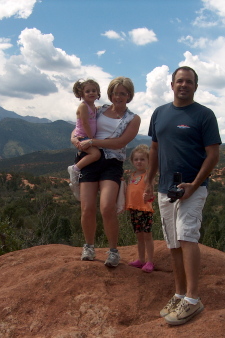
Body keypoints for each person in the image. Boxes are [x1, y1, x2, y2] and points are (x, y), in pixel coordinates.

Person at [144, 66, 221, 325]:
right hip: (166, 189)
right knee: (173, 242)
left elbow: (213, 155)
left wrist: (195, 184)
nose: (184, 85)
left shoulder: (204, 115)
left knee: (187, 236)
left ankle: (193, 299)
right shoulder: (159, 113)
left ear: (196, 86)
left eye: (189, 81)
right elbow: (154, 149)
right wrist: (148, 180)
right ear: (172, 84)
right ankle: (178, 293)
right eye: (180, 81)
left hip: (194, 188)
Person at [71, 76, 141, 267]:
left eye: (123, 93)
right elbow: (79, 125)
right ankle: (89, 246)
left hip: (112, 162)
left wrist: (93, 142)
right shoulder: (98, 109)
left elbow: (120, 142)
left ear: (129, 95)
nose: (118, 97)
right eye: (115, 93)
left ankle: (113, 251)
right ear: (109, 94)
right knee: (87, 207)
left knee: (107, 207)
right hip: (90, 160)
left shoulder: (133, 119)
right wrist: (74, 138)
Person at [68, 79, 102, 201]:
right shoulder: (83, 106)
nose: (91, 93)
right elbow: (85, 123)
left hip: (87, 137)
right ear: (81, 94)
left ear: (98, 93)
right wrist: (91, 139)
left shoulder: (93, 107)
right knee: (96, 154)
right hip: (83, 137)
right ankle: (75, 169)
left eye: (94, 90)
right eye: (87, 91)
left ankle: (76, 180)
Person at [125, 144, 155, 273]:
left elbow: (151, 192)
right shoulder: (131, 176)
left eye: (142, 159)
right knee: (139, 236)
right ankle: (141, 259)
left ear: (148, 161)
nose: (139, 162)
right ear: (132, 161)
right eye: (136, 159)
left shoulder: (148, 175)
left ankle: (150, 261)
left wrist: (149, 195)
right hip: (134, 209)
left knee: (147, 235)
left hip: (145, 209)